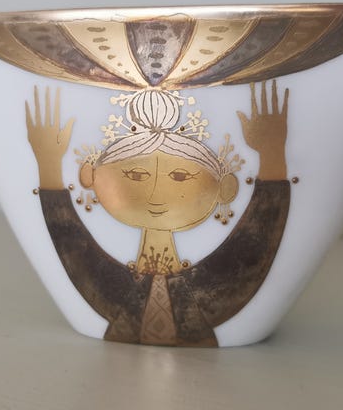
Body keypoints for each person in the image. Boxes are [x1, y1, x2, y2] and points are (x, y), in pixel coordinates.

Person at [26, 81, 291, 346]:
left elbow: (254, 246)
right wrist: (49, 164)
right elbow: (72, 245)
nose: (155, 195)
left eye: (180, 176)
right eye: (136, 175)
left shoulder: (215, 285)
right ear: (90, 176)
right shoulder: (111, 286)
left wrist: (272, 154)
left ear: (225, 188)